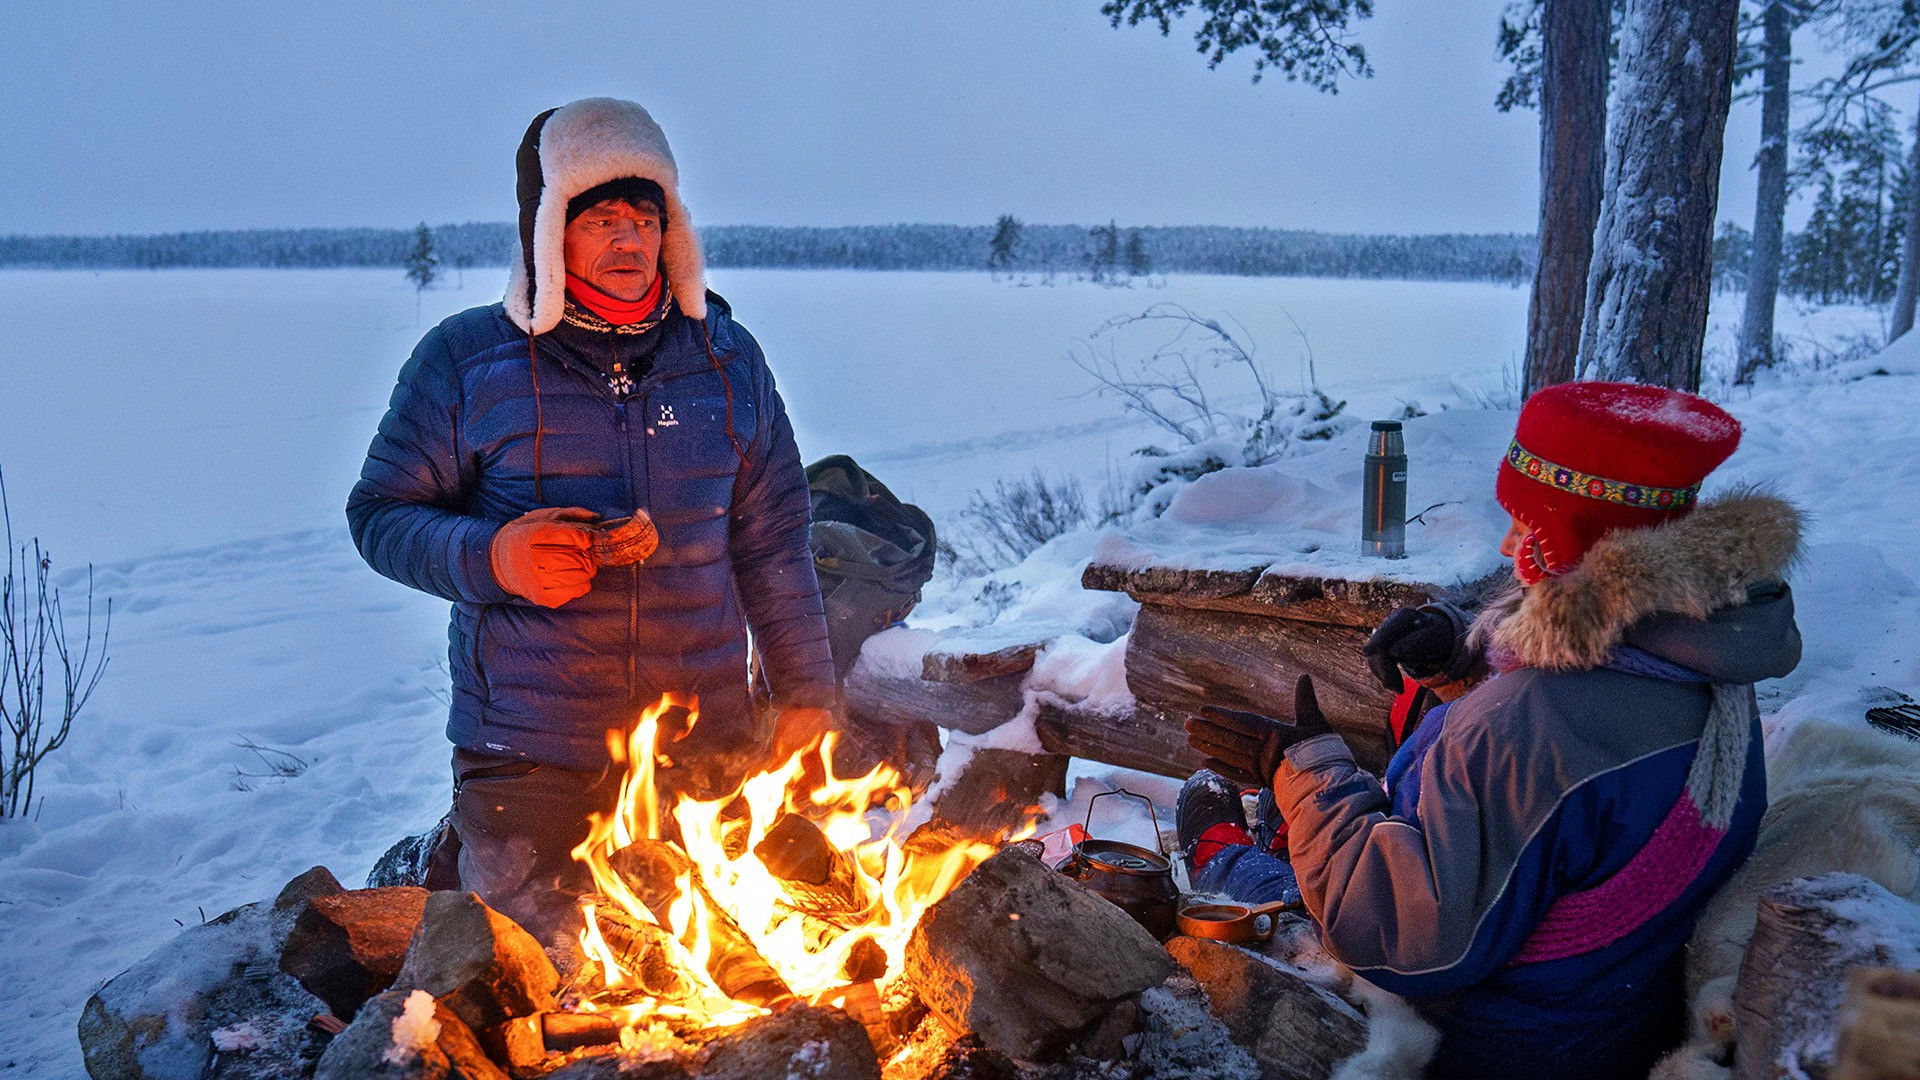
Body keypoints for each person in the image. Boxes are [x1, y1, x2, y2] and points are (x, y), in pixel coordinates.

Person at [1180, 381, 1802, 1079]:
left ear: (1586, 546)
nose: (1508, 542)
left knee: (1234, 881)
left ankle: (1218, 850)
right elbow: (1567, 784)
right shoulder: (1712, 660)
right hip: (1606, 1013)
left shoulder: (1527, 725)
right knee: (1290, 822)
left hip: (1479, 1039)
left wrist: (1307, 768)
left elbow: (1400, 938)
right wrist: (1462, 655)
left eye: (1529, 523)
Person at [347, 98, 837, 944]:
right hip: (530, 752)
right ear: (546, 233)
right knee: (536, 971)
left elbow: (772, 542)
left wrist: (806, 692)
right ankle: (448, 863)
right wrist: (494, 555)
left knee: (713, 973)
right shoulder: (468, 360)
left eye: (644, 218)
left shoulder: (726, 359)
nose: (627, 240)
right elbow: (381, 516)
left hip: (702, 741)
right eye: (599, 219)